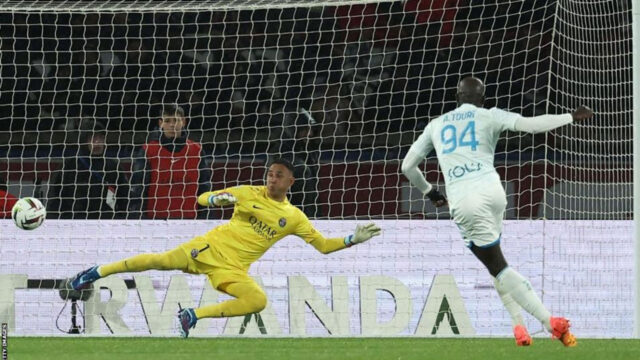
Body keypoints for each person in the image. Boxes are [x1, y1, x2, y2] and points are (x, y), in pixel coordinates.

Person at [70, 158, 381, 338]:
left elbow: (323, 246)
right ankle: (96, 272)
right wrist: (217, 199)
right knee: (160, 260)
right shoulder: (247, 192)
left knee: (257, 300)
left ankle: (192, 315)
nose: (272, 179)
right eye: (270, 174)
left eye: (279, 176)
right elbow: (201, 198)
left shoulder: (294, 217)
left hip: (232, 269)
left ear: (291, 182)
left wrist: (352, 239)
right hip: (209, 247)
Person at [401, 76, 593, 347]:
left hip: (465, 200)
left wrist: (430, 192)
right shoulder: (491, 115)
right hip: (494, 192)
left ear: (457, 97)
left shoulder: (436, 125)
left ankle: (550, 321)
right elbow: (531, 126)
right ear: (482, 98)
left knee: (498, 266)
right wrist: (570, 116)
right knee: (495, 263)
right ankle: (519, 327)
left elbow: (408, 167)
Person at [128, 105, 212, 219]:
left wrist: (205, 219)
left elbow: (205, 188)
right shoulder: (148, 151)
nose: (172, 125)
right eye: (167, 121)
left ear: (183, 122)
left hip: (190, 222)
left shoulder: (196, 150)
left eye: (176, 120)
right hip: (155, 222)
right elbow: (138, 190)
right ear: (160, 123)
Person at [47, 120, 129, 219]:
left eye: (101, 138)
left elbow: (124, 199)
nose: (98, 142)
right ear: (84, 140)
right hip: (74, 223)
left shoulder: (113, 167)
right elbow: (54, 200)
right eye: (93, 138)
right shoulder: (69, 166)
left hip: (105, 223)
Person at [274, 106, 322, 218]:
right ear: (294, 129)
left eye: (311, 129)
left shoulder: (308, 153)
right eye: (305, 129)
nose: (309, 134)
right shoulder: (282, 157)